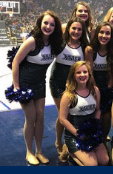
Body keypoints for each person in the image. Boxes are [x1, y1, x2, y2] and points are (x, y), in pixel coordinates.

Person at [9, 11, 61, 165]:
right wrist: (17, 86)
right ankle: (29, 152)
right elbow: (16, 62)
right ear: (40, 23)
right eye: (45, 23)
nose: (48, 26)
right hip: (25, 85)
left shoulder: (54, 43)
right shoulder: (32, 41)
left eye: (52, 24)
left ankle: (39, 151)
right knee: (30, 118)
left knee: (40, 118)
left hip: (40, 84)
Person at [50, 14, 87, 160]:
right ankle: (60, 142)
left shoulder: (85, 47)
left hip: (75, 86)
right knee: (63, 116)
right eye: (74, 28)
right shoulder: (60, 43)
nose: (76, 32)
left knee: (71, 116)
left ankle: (69, 144)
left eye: (79, 29)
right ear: (68, 28)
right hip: (58, 84)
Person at [56, 61, 107, 165]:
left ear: (89, 74)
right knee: (92, 165)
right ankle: (70, 151)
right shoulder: (68, 95)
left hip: (91, 133)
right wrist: (78, 134)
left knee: (104, 161)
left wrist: (94, 126)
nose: (82, 75)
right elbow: (62, 119)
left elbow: (97, 110)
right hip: (75, 135)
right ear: (73, 75)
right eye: (78, 72)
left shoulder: (95, 90)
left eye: (85, 72)